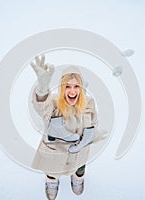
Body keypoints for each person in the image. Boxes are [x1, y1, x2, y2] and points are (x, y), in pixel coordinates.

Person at [30, 55, 98, 200]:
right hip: (54, 152)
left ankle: (78, 179)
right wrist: (42, 88)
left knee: (80, 167)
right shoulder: (53, 102)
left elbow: (94, 122)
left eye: (76, 86)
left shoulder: (89, 103)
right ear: (62, 87)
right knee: (51, 171)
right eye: (67, 86)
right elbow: (41, 107)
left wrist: (90, 136)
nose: (72, 91)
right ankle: (52, 183)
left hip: (80, 152)